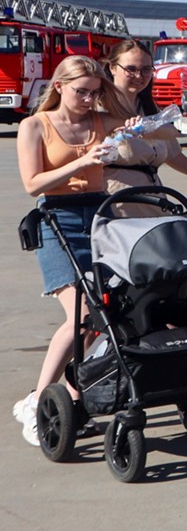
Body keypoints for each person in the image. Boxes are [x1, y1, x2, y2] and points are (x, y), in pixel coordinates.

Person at [11, 57, 131, 445]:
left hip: (100, 217)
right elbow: (33, 184)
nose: (88, 99)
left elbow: (149, 130)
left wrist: (140, 125)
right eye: (81, 91)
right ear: (59, 86)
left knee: (105, 314)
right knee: (81, 315)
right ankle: (39, 399)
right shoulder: (34, 126)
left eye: (95, 92)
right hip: (56, 220)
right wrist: (83, 160)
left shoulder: (101, 120)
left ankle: (73, 397)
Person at [103, 38, 187, 198]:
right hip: (116, 202)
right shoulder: (100, 109)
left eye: (146, 69)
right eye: (130, 69)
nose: (139, 76)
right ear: (113, 68)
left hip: (153, 200)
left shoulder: (148, 108)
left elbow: (172, 153)